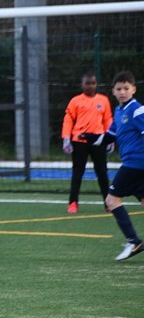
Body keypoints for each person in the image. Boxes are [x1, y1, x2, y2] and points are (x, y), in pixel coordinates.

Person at [85, 71, 144, 261]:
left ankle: (133, 241)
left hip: (135, 163)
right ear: (113, 91)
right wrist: (90, 138)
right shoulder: (119, 111)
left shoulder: (137, 110)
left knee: (111, 201)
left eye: (126, 88)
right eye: (119, 89)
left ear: (134, 89)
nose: (122, 92)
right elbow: (109, 137)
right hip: (135, 164)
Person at [61, 71, 113, 213]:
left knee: (102, 173)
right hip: (80, 141)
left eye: (93, 83)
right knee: (77, 173)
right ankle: (73, 203)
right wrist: (66, 138)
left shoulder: (103, 100)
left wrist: (110, 139)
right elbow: (68, 119)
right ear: (82, 85)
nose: (90, 86)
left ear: (96, 84)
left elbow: (108, 120)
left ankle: (108, 203)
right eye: (87, 83)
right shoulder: (75, 101)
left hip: (98, 140)